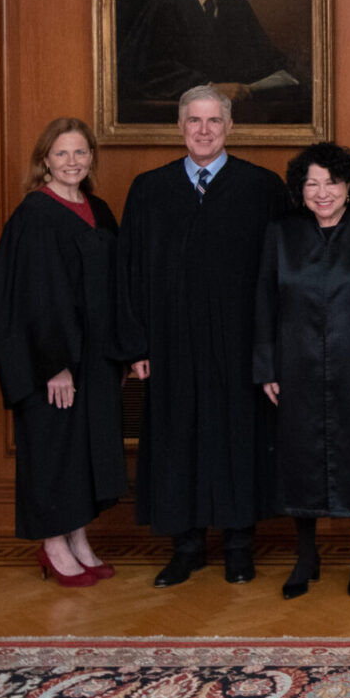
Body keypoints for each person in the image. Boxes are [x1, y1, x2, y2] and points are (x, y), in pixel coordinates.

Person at [118, 86, 289, 586]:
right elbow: (128, 273)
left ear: (230, 126)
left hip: (240, 343)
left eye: (214, 121)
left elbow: (282, 275)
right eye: (194, 120)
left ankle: (239, 545)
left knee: (239, 438)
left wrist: (271, 351)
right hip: (170, 345)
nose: (204, 130)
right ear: (179, 126)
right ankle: (186, 547)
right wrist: (137, 347)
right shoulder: (148, 190)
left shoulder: (262, 187)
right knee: (177, 440)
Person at [252, 142, 350, 600]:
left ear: (348, 187)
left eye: (332, 183)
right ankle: (307, 555)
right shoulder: (281, 232)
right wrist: (266, 367)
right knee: (299, 460)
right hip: (294, 367)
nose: (322, 193)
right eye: (312, 184)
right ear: (300, 190)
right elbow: (264, 302)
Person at [0, 117, 127, 588]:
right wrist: (55, 366)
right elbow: (33, 299)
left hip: (96, 359)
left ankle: (78, 538)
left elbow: (116, 287)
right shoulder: (35, 215)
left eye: (81, 153)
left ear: (91, 158)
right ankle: (53, 544)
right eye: (62, 153)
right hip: (53, 362)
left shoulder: (99, 209)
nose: (72, 162)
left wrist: (120, 351)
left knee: (82, 451)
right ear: (44, 159)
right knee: (53, 450)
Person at [125, 0, 302, 111]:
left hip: (236, 110)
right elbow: (148, 68)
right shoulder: (169, 3)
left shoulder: (238, 6)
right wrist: (210, 87)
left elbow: (266, 60)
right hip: (178, 111)